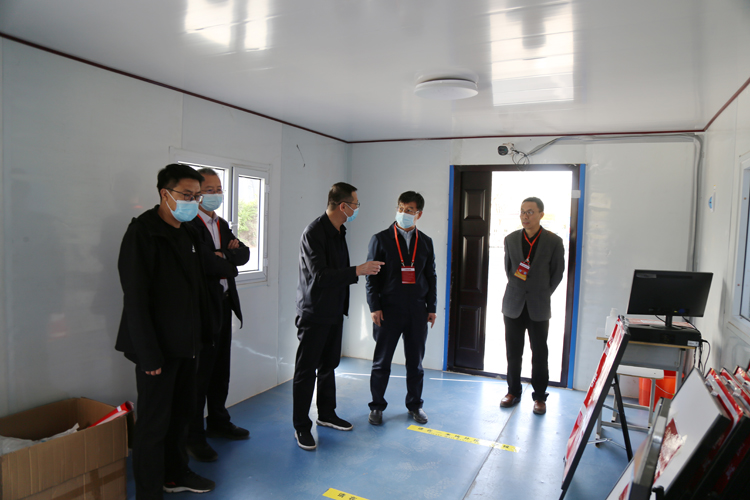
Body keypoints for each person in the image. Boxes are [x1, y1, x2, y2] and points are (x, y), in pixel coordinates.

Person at [115, 164, 219, 497]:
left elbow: (196, 287)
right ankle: (148, 491)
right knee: (153, 424)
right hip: (157, 350)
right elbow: (135, 299)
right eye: (187, 195)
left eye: (197, 196)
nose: (194, 202)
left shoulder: (188, 231)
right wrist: (148, 355)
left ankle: (175, 474)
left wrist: (203, 336)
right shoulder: (143, 233)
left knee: (181, 415)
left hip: (187, 344)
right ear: (165, 193)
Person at [292, 182, 384, 451]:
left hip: (333, 310)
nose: (357, 209)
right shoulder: (314, 233)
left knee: (329, 365)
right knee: (306, 370)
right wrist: (358, 270)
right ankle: (301, 426)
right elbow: (320, 276)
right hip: (314, 312)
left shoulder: (339, 230)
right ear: (343, 206)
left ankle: (326, 414)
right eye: (355, 205)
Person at [186, 168, 250, 463]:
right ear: (197, 194)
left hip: (223, 304)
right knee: (199, 376)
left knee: (220, 370)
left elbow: (243, 254)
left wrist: (223, 255)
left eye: (219, 189)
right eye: (209, 190)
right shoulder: (189, 224)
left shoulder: (221, 223)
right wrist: (227, 257)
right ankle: (193, 436)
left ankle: (218, 421)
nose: (216, 194)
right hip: (201, 309)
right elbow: (204, 265)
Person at [365, 191, 437, 426]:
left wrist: (432, 307)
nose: (403, 213)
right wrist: (374, 306)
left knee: (415, 363)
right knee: (381, 362)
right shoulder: (381, 239)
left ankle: (415, 405)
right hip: (388, 310)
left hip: (417, 311)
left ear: (419, 214)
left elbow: (431, 276)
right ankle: (377, 406)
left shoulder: (425, 242)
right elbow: (371, 277)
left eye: (409, 210)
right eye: (401, 208)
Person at [500, 196, 565, 415]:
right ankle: (513, 392)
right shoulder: (510, 239)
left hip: (538, 305)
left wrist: (541, 293)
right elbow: (509, 270)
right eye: (522, 211)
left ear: (541, 214)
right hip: (513, 304)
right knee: (513, 353)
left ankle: (539, 396)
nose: (525, 216)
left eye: (530, 212)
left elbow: (557, 273)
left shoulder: (553, 241)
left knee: (539, 353)